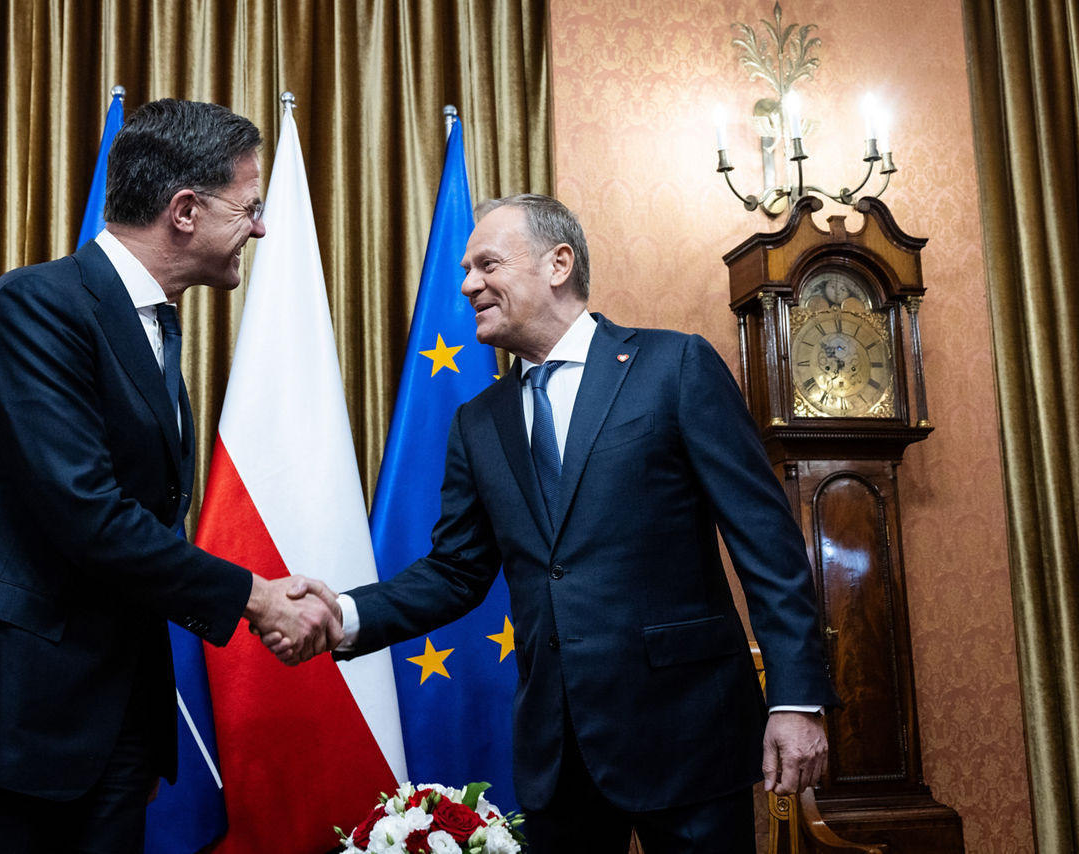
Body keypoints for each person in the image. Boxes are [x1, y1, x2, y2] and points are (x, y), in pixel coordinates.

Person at [274, 194, 839, 853]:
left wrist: (796, 698)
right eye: (465, 271)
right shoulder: (479, 421)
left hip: (686, 736)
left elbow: (766, 543)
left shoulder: (674, 366)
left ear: (558, 264)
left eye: (487, 264)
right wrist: (343, 615)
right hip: (557, 757)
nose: (467, 285)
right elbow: (456, 572)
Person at [0, 99, 342, 853]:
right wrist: (256, 597)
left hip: (100, 724)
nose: (260, 228)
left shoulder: (152, 325)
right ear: (185, 211)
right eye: (249, 208)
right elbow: (87, 513)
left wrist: (132, 733)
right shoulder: (37, 306)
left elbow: (145, 524)